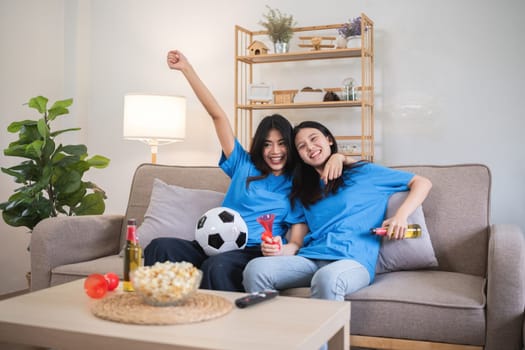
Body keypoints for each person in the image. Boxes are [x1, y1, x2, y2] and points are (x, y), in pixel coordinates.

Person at [144, 50, 314, 292]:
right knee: (160, 246)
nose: (275, 151)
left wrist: (280, 250)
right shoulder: (243, 164)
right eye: (267, 144)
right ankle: (160, 313)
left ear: (290, 145)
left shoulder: (296, 183)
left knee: (218, 266)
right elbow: (217, 116)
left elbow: (296, 242)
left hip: (252, 251)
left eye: (281, 143)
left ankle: (217, 324)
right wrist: (187, 69)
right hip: (212, 244)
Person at [243, 120, 432, 301]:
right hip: (311, 258)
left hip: (353, 260)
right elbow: (295, 244)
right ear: (299, 155)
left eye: (314, 138)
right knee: (256, 269)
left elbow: (422, 183)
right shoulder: (303, 190)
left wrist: (401, 216)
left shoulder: (364, 172)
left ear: (329, 140)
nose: (309, 147)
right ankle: (272, 332)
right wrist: (277, 250)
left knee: (327, 278)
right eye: (301, 146)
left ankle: (325, 336)